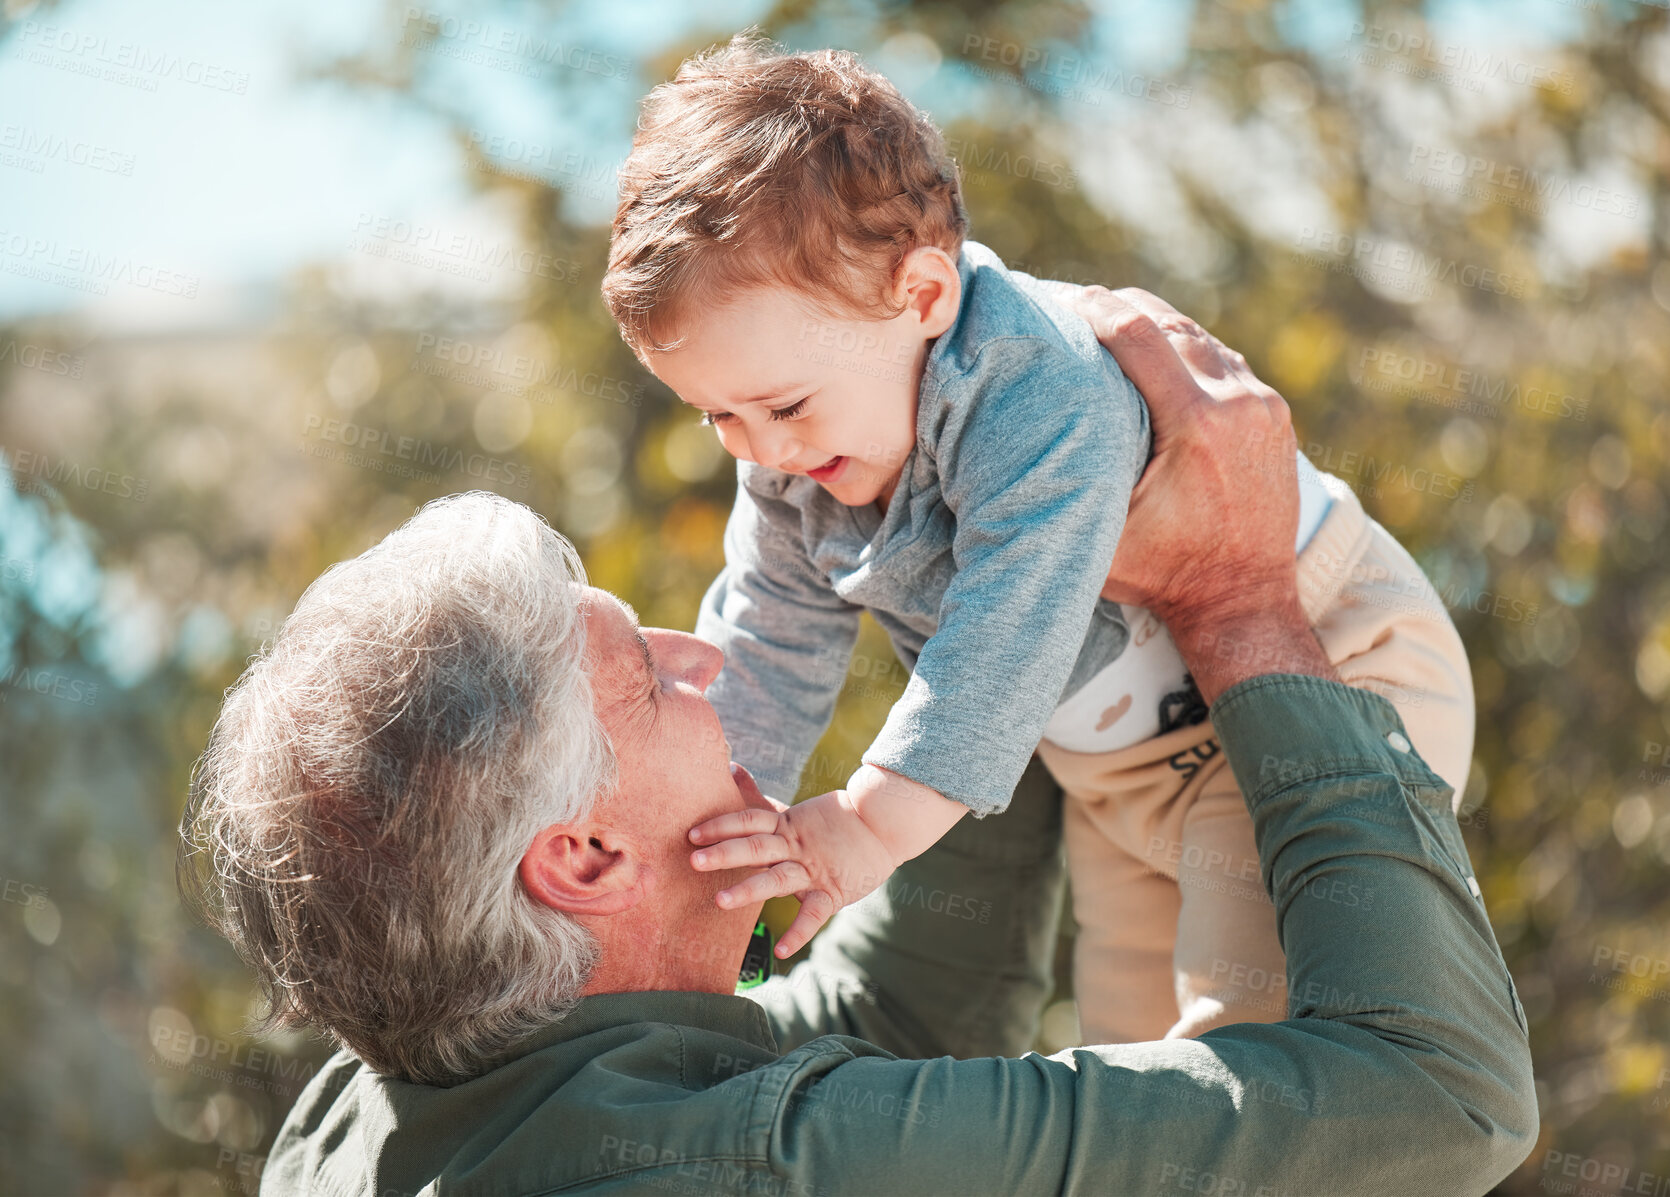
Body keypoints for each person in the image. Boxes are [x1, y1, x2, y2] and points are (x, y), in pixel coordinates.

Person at [180, 288, 1535, 1197]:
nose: (702, 655)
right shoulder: (765, 1166)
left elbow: (896, 1020)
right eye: (650, 684)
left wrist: (986, 563)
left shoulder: (367, 1116)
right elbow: (1438, 1096)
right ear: (582, 857)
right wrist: (1236, 601)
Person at [600, 34, 1477, 1043]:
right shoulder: (794, 461)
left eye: (783, 405)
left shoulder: (1036, 384)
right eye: (717, 418)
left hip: (1316, 661)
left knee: (1245, 1039)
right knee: (1130, 1049)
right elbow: (765, 640)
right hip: (1123, 767)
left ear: (921, 297)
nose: (760, 450)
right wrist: (713, 836)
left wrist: (866, 828)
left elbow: (1005, 628)